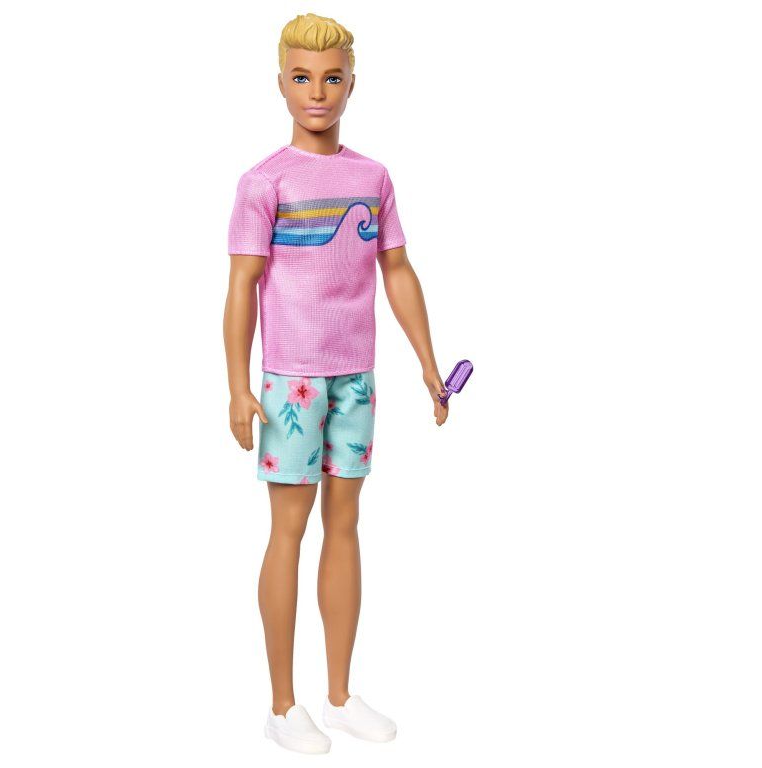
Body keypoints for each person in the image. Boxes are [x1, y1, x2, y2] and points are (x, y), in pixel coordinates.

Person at [222, 12, 448, 754]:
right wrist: (237, 384)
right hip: (291, 382)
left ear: (352, 83)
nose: (316, 92)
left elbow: (397, 270)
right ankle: (282, 703)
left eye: (330, 78)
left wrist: (427, 361)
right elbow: (242, 284)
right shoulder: (265, 181)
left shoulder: (371, 178)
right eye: (301, 77)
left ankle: (341, 695)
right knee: (288, 530)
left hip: (356, 376)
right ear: (280, 84)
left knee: (345, 525)